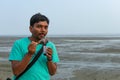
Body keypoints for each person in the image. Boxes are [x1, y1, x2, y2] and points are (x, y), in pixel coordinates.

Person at [9, 13, 60, 80]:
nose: (43, 30)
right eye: (39, 26)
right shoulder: (19, 44)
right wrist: (29, 54)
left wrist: (49, 59)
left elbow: (52, 72)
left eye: (46, 27)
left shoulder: (50, 45)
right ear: (30, 28)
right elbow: (16, 72)